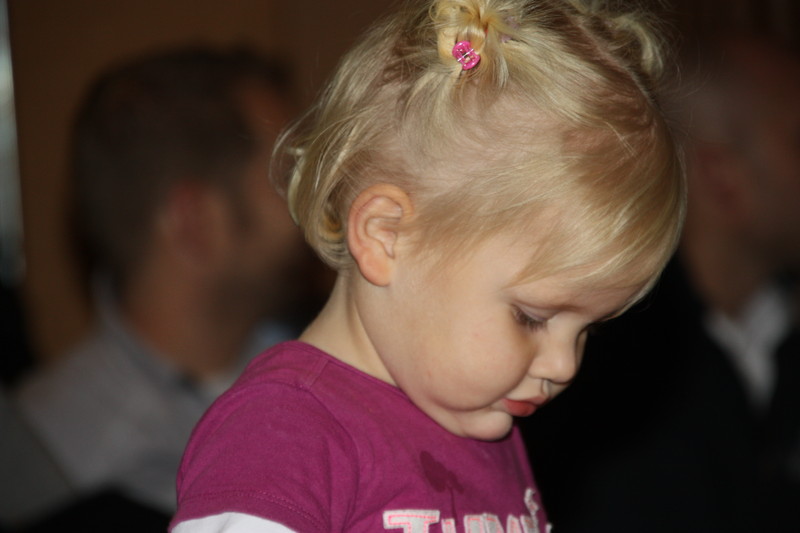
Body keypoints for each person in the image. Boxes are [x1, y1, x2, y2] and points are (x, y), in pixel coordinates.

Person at [169, 0, 686, 531]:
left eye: (588, 329)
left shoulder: (484, 428)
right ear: (386, 237)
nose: (564, 366)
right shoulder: (283, 432)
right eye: (531, 317)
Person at [8, 46, 314, 528]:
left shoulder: (340, 372)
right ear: (194, 222)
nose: (318, 199)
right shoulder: (36, 464)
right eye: (288, 176)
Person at [522, 33, 800, 533]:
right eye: (797, 142)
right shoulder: (597, 369)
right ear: (721, 174)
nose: (561, 360)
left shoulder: (782, 331)